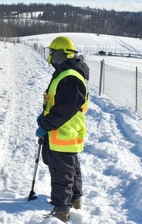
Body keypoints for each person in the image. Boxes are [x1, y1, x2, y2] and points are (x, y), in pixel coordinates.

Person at [36, 36, 89, 222]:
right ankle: (74, 200)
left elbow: (64, 110)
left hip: (62, 133)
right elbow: (58, 104)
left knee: (62, 174)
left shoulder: (70, 78)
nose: (50, 55)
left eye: (53, 52)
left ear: (62, 54)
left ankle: (61, 211)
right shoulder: (66, 73)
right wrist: (45, 116)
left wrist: (45, 124)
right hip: (64, 133)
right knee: (70, 169)